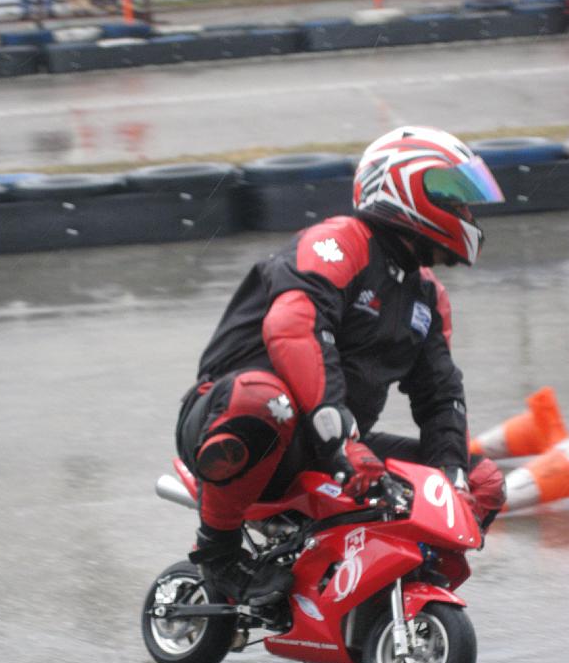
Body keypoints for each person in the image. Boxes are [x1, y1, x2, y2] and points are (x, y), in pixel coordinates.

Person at [176, 126, 507, 607]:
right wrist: (341, 439)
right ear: (401, 186)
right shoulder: (338, 243)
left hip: (335, 447)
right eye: (452, 194)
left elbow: (441, 395)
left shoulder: (427, 295)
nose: (465, 211)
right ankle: (218, 554)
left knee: (481, 481)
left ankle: (398, 586)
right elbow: (294, 330)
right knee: (265, 400)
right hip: (232, 420)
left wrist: (450, 477)